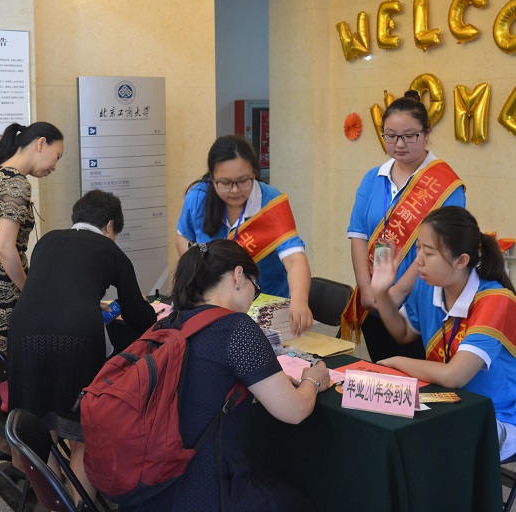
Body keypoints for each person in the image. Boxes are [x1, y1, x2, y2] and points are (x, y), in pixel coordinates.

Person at [124, 239, 329, 512]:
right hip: (205, 489)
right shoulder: (236, 327)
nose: (253, 298)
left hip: (149, 485)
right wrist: (312, 379)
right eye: (256, 289)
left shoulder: (169, 322)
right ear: (238, 275)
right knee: (299, 503)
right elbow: (295, 410)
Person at [7, 189, 157, 500]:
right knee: (82, 434)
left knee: (40, 424)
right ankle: (79, 504)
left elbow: (54, 290)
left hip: (23, 333)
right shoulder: (110, 250)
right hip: (76, 338)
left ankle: (54, 498)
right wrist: (153, 312)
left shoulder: (47, 241)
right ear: (110, 225)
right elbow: (137, 316)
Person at [370, 206, 516, 460]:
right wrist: (381, 293)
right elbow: (403, 333)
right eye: (418, 249)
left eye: (429, 252)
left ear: (461, 261)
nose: (418, 261)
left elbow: (454, 376)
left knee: (422, 445)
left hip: (501, 417)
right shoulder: (429, 286)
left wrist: (395, 362)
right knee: (384, 424)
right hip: (451, 403)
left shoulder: (495, 301)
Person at [343, 90, 466, 362]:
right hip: (373, 305)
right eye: (390, 136)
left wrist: (396, 293)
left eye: (409, 136)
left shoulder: (447, 187)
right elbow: (358, 234)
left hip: (421, 305)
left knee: (417, 380)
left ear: (426, 133)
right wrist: (367, 288)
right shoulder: (373, 178)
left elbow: (439, 250)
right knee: (383, 373)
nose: (399, 144)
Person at [0, 120, 64, 450]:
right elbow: (5, 248)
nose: (54, 166)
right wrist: (29, 291)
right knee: (15, 371)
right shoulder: (17, 184)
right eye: (56, 156)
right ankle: (21, 453)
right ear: (40, 143)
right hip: (3, 293)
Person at [177, 135, 313, 336]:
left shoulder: (271, 203)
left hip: (265, 307)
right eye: (225, 183)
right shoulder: (198, 198)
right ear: (212, 177)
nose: (234, 190)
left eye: (243, 181)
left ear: (254, 173)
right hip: (212, 307)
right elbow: (183, 237)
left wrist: (299, 300)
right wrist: (197, 277)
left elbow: (294, 259)